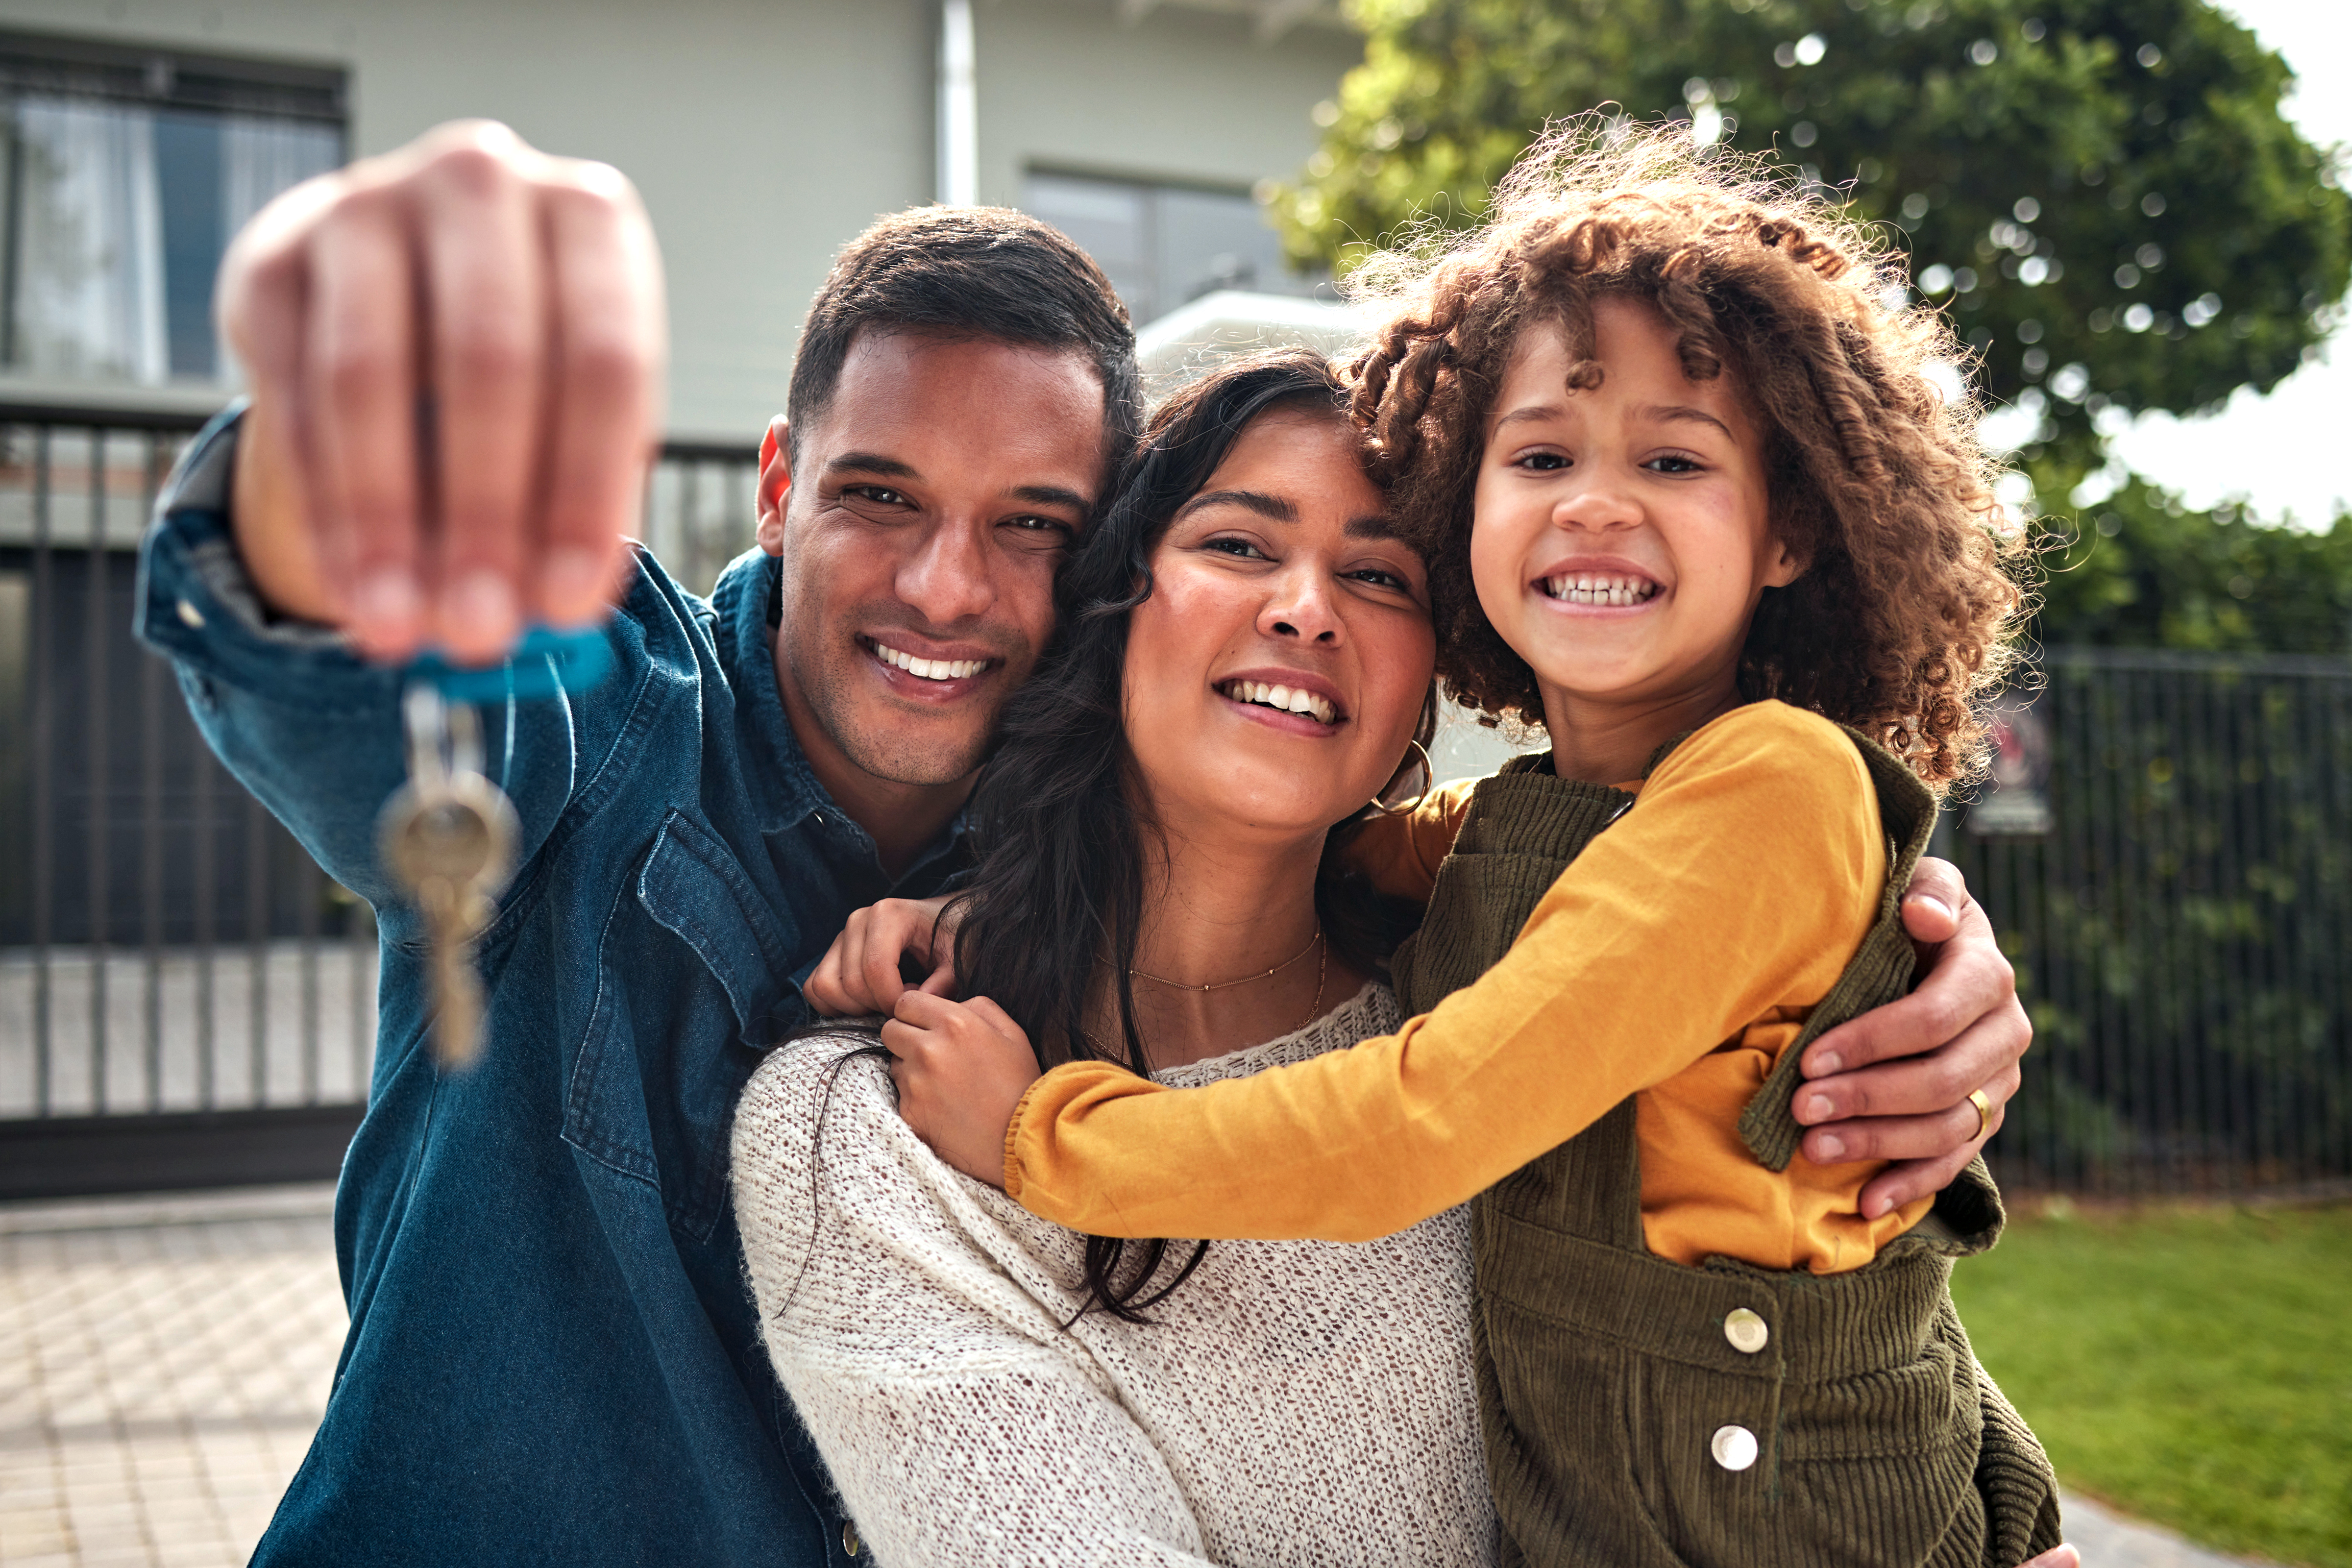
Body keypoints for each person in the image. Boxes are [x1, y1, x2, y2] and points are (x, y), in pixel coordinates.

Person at [136, 118, 2033, 1564]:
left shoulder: (1457, 962)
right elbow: (378, 684)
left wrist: (1896, 958)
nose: (950, 582)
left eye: (1033, 523)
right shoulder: (650, 757)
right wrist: (340, 449)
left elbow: (1760, 1316)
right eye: (880, 496)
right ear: (782, 484)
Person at [872, 126, 2067, 1565]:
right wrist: (977, 916)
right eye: (1542, 452)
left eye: (1675, 458)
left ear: (1791, 532)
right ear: (1466, 511)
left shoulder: (1776, 783)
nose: (1594, 502)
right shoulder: (1540, 820)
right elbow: (1340, 857)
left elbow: (1423, 1121)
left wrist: (1042, 1135)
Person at [736, 351, 1500, 1565]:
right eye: (1241, 546)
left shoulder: (1501, 1012)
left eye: (1377, 574)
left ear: (1427, 685)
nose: (1308, 608)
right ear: (1113, 607)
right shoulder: (868, 1138)